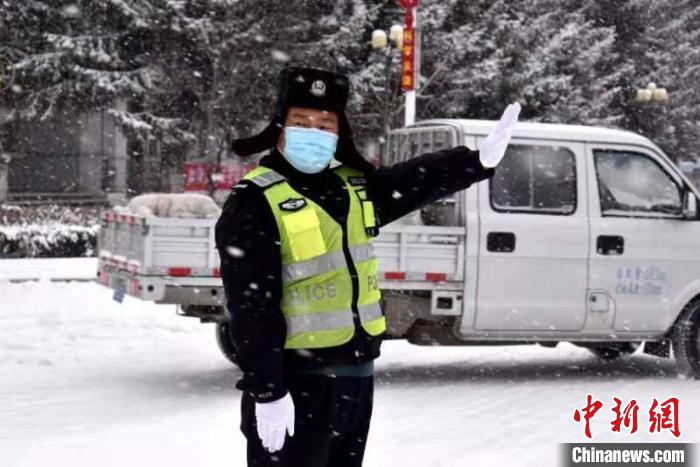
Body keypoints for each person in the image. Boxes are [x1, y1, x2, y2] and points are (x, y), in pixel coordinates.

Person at [214, 66, 520, 467]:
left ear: (340, 133)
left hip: (355, 377)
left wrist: (474, 161)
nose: (314, 132)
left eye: (326, 124)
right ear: (279, 127)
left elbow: (413, 182)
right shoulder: (254, 201)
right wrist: (268, 391)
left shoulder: (352, 187)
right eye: (301, 121)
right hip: (296, 380)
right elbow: (252, 309)